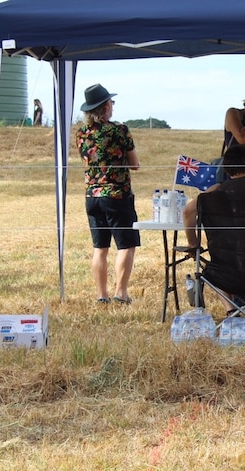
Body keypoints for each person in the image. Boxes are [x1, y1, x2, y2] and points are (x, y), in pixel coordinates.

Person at [182, 145, 245, 321]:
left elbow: (187, 212)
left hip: (223, 271)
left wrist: (193, 243)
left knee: (209, 269)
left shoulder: (214, 192)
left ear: (226, 169)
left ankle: (231, 310)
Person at [75, 83, 140, 305]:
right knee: (126, 244)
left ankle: (101, 295)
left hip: (91, 196)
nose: (113, 106)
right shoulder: (119, 130)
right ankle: (121, 292)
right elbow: (135, 165)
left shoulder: (82, 134)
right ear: (105, 107)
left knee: (99, 247)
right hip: (116, 194)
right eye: (111, 102)